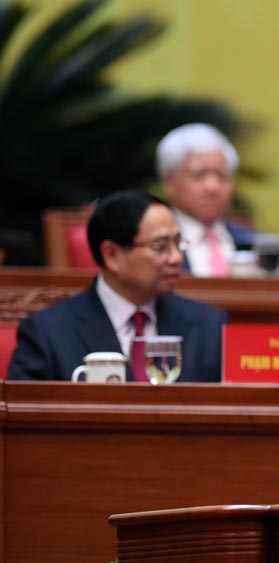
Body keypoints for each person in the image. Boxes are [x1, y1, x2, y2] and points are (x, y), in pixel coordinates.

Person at [8, 190, 227, 382]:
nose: (176, 257)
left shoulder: (208, 326)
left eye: (178, 243)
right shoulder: (48, 333)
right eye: (160, 247)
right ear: (111, 255)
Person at [156, 123, 255, 277]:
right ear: (169, 182)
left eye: (222, 175)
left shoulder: (253, 242)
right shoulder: (153, 246)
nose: (212, 187)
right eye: (198, 175)